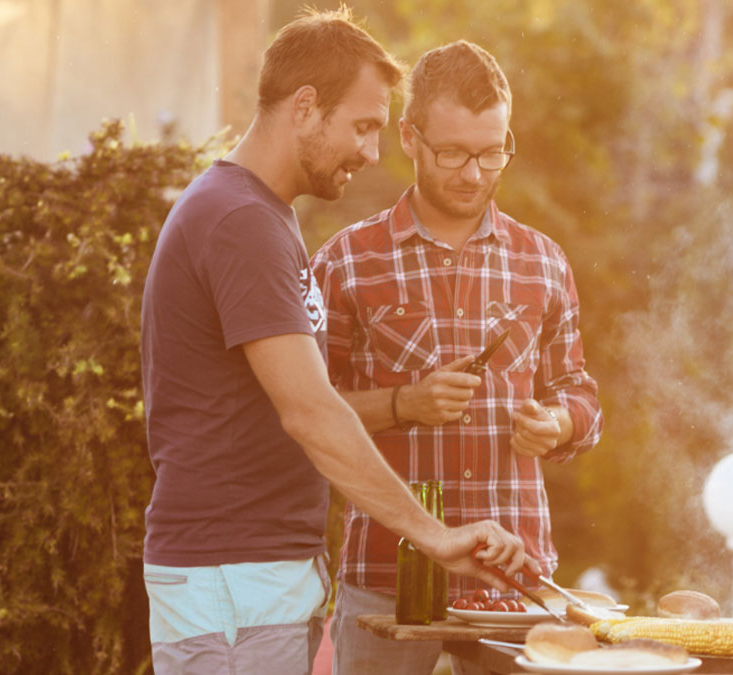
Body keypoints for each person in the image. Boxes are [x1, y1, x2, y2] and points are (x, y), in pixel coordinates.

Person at [139, 12, 537, 675]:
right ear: (305, 108)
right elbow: (312, 411)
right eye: (362, 126)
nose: (371, 152)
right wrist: (434, 534)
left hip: (253, 575)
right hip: (234, 578)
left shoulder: (259, 216)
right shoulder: (241, 222)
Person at [311, 40, 604, 674]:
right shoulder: (344, 263)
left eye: (491, 151)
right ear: (410, 138)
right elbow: (304, 413)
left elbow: (581, 393)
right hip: (385, 572)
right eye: (452, 153)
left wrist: (559, 425)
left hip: (514, 579)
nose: (473, 173)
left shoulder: (543, 263)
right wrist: (402, 404)